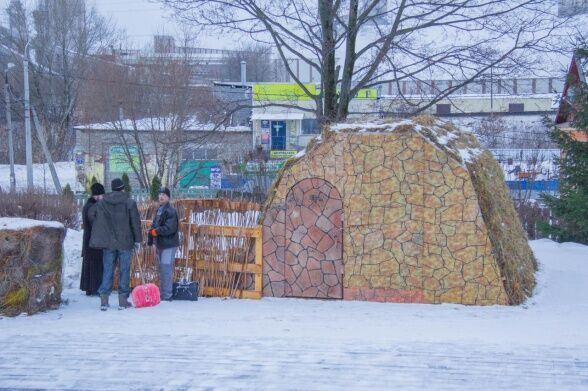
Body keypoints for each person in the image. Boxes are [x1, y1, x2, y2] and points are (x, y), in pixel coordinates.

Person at [89, 177, 142, 311]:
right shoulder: (129, 202)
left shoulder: (102, 203)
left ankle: (104, 300)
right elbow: (135, 223)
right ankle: (123, 301)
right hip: (125, 242)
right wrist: (138, 240)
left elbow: (91, 214)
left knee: (108, 270)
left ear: (111, 188)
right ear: (123, 188)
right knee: (124, 270)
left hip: (109, 243)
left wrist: (102, 226)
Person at [147, 187, 179, 301]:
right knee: (162, 268)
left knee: (166, 268)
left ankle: (167, 295)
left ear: (168, 197)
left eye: (164, 195)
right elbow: (154, 226)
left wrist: (157, 231)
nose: (161, 197)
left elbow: (169, 228)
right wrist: (151, 238)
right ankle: (163, 293)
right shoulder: (160, 209)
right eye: (160, 194)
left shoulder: (171, 211)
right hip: (161, 244)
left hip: (169, 245)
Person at [80, 182, 105, 296]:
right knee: (95, 264)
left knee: (90, 264)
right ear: (97, 195)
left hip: (90, 239)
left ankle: (89, 288)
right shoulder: (93, 207)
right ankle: (94, 288)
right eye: (101, 195)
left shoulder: (88, 205)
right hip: (94, 240)